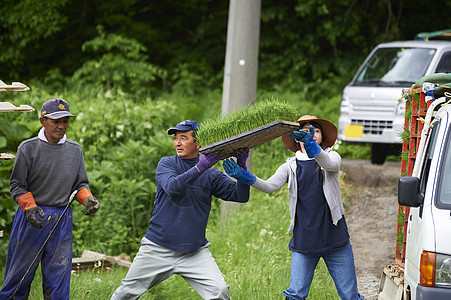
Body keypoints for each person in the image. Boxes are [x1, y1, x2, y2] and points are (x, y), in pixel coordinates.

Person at [223, 115, 364, 300]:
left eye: (315, 131)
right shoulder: (290, 166)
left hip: (335, 239)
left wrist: (313, 148)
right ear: (296, 138)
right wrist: (244, 176)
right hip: (304, 240)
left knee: (350, 295)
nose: (310, 134)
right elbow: (269, 186)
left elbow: (328, 164)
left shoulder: (331, 156)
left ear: (321, 137)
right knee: (296, 295)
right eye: (304, 130)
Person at [111, 120, 250, 300]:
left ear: (198, 143)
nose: (177, 143)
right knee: (125, 295)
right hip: (157, 248)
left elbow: (240, 196)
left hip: (194, 252)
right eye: (176, 138)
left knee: (219, 292)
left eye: (183, 138)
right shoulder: (167, 164)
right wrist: (201, 167)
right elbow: (172, 187)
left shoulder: (211, 174)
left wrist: (242, 172)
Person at [0, 98, 100, 300]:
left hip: (61, 219)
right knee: (19, 276)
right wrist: (29, 207)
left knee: (58, 278)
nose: (62, 126)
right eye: (56, 121)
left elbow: (80, 184)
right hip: (32, 218)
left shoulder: (75, 150)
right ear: (42, 120)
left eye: (65, 120)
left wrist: (87, 198)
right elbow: (17, 185)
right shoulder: (27, 148)